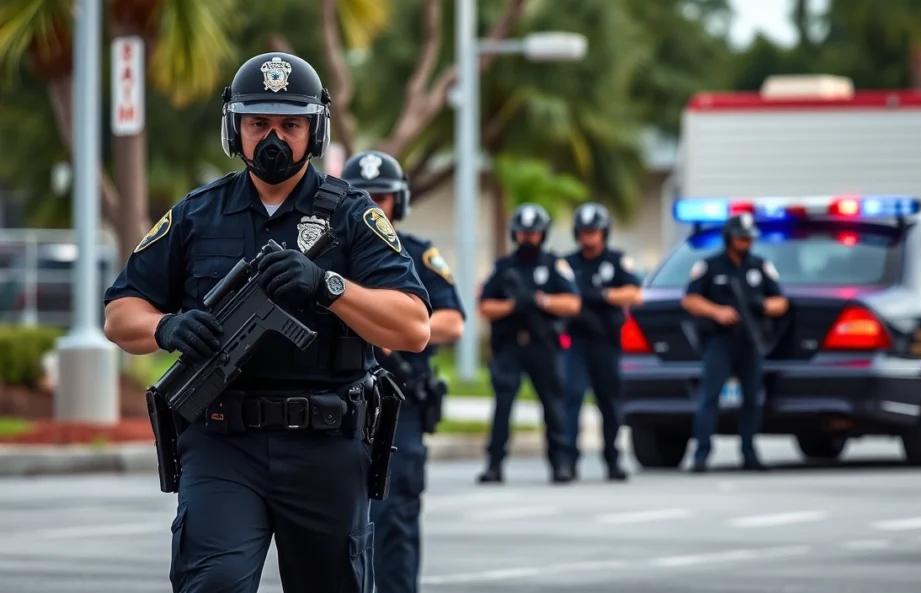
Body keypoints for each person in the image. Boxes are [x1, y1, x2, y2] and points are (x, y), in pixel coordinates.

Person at [102, 52, 432, 593]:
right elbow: (120, 313)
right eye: (258, 123)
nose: (273, 138)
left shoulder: (353, 216)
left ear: (315, 130)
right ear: (235, 128)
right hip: (221, 442)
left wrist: (329, 286)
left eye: (289, 124)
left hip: (325, 443)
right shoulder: (195, 214)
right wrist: (166, 327)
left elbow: (413, 326)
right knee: (215, 584)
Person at [341, 150, 465, 593]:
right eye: (364, 195)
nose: (374, 204)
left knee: (394, 519)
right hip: (340, 402)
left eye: (383, 196)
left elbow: (453, 321)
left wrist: (402, 329)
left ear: (400, 202)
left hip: (399, 405)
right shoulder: (330, 252)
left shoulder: (416, 254)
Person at [476, 203, 581, 484]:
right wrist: (512, 306)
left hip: (543, 346)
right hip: (510, 346)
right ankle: (494, 465)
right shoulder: (504, 268)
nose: (527, 238)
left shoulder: (554, 265)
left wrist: (540, 301)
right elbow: (484, 306)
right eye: (523, 233)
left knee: (554, 407)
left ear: (543, 234)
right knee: (503, 406)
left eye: (533, 233)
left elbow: (572, 303)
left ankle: (561, 464)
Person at [681, 212, 788, 473]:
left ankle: (749, 453)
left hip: (750, 341)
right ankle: (702, 454)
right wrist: (716, 311)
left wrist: (762, 305)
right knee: (710, 397)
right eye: (741, 238)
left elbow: (781, 303)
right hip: (720, 340)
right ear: (729, 238)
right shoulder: (710, 266)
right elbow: (690, 299)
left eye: (749, 238)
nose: (746, 242)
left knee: (752, 399)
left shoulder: (760, 266)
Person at [562, 203, 642, 481]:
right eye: (584, 232)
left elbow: (634, 293)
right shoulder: (568, 264)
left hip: (607, 342)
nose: (589, 238)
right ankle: (568, 460)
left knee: (609, 402)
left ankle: (612, 458)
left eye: (594, 232)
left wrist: (602, 295)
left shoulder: (617, 260)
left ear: (604, 233)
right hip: (576, 341)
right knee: (571, 398)